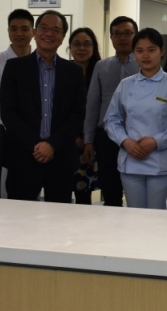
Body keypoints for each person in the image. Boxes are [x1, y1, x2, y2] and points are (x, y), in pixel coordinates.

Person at [0, 10, 86, 203]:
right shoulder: (14, 68)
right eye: (44, 28)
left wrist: (52, 144)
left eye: (56, 30)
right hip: (23, 157)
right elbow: (9, 113)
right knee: (19, 215)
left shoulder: (73, 72)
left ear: (62, 37)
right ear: (35, 32)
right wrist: (36, 146)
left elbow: (77, 114)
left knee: (58, 215)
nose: (49, 33)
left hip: (60, 157)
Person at [104, 28, 167, 209]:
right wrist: (125, 142)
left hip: (162, 163)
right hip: (131, 161)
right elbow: (111, 119)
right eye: (140, 50)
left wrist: (156, 141)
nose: (146, 55)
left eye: (151, 50)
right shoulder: (126, 85)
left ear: (161, 51)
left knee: (158, 218)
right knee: (135, 216)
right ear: (134, 53)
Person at [82, 16, 140, 206]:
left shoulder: (144, 64)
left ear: (136, 35)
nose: (122, 38)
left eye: (127, 33)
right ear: (111, 38)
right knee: (110, 192)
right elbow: (93, 104)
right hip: (107, 137)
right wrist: (89, 140)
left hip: (136, 135)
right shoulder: (101, 66)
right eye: (117, 34)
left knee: (136, 191)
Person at [68, 27, 101, 205]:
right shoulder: (63, 71)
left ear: (94, 47)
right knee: (62, 189)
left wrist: (89, 137)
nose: (82, 48)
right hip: (66, 140)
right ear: (70, 47)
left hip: (93, 142)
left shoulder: (100, 71)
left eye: (87, 44)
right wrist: (73, 135)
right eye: (77, 44)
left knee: (84, 193)